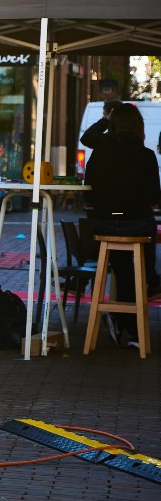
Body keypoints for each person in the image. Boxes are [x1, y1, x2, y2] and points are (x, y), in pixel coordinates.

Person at [84, 103, 161, 343]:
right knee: (141, 266)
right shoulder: (145, 155)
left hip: (104, 224)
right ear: (139, 126)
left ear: (113, 125)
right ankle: (148, 283)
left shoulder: (100, 150)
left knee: (123, 270)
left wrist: (106, 119)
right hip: (137, 224)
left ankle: (124, 320)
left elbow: (88, 193)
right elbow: (153, 198)